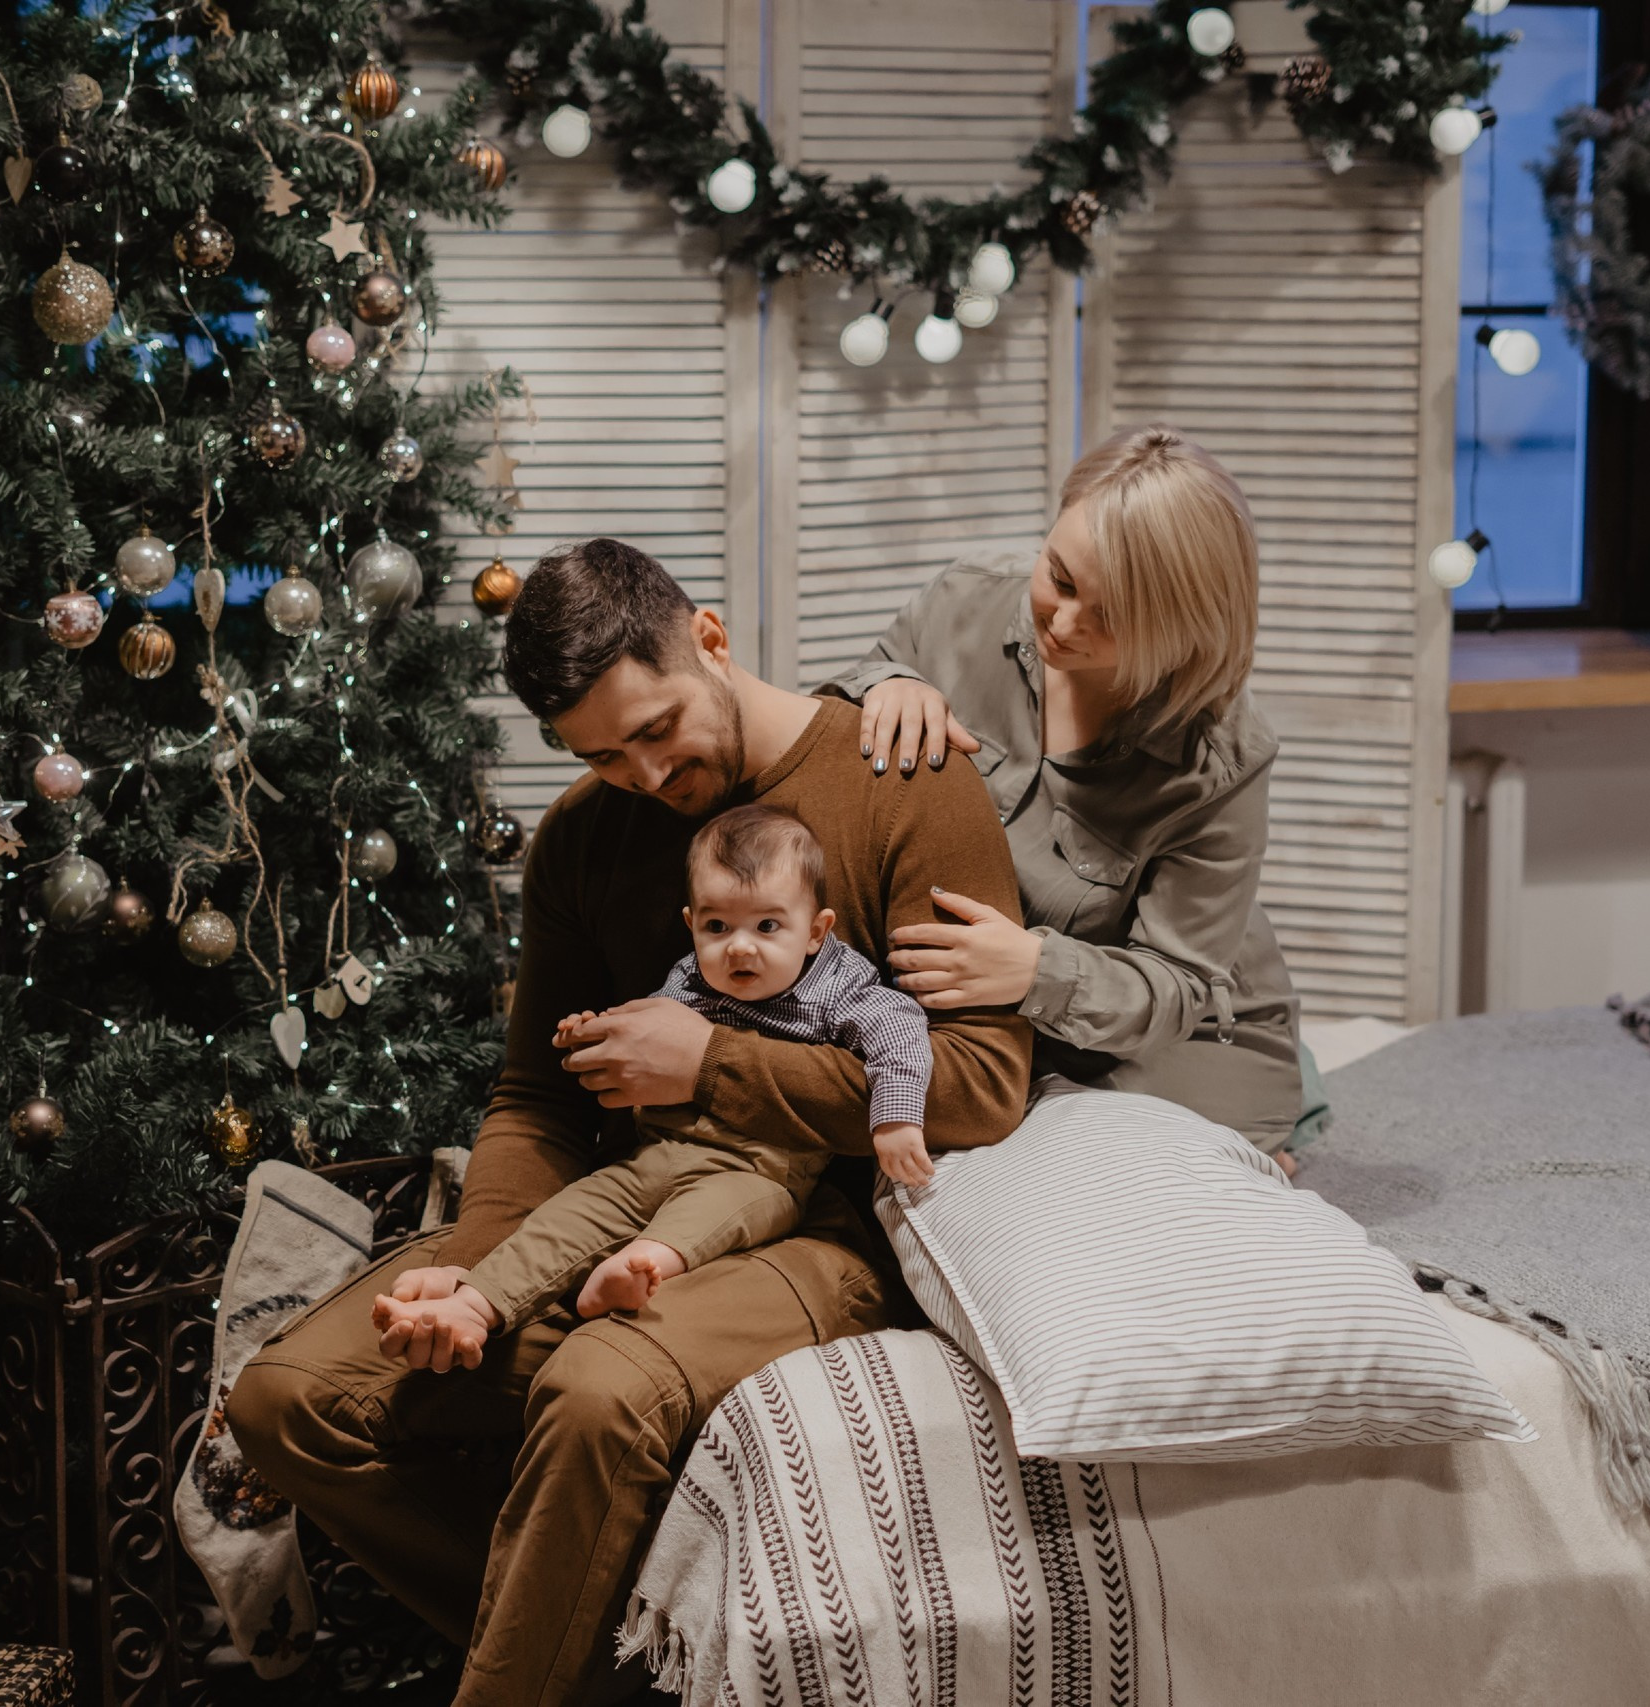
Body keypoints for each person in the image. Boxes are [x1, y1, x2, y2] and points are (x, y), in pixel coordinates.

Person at [224, 538, 1031, 1707]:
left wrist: (713, 1062)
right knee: (286, 1400)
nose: (646, 775)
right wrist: (472, 1274)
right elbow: (535, 1099)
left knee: (597, 1393)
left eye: (657, 730)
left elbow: (980, 1084)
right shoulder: (582, 837)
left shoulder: (899, 780)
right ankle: (632, 1667)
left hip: (820, 1224)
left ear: (707, 636)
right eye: (602, 754)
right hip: (629, 1203)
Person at [827, 422, 1306, 1158]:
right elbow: (855, 695)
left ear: (1183, 630)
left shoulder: (1221, 757)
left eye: (1112, 618)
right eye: (1060, 577)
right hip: (985, 1018)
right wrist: (887, 683)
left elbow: (1177, 980)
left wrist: (1033, 970)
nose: (1065, 622)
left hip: (1184, 1031)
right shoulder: (966, 599)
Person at [368, 802, 936, 1360]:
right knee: (570, 1214)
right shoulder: (690, 976)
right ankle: (475, 1305)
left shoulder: (839, 987)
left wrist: (895, 1118)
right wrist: (593, 1033)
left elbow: (901, 1033)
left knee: (715, 1211)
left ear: (815, 931)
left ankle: (638, 1266)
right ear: (691, 924)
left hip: (758, 1168)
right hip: (656, 1155)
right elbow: (642, 1031)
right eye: (717, 925)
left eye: (768, 925)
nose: (740, 946)